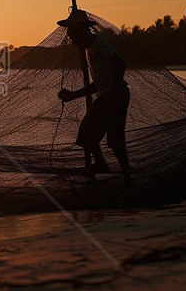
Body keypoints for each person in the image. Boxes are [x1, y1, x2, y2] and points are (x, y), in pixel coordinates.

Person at [56, 10, 131, 187]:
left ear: (81, 32)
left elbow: (120, 66)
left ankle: (127, 178)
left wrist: (112, 95)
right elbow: (98, 83)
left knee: (115, 140)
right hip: (107, 95)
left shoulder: (99, 42)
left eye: (74, 38)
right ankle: (102, 165)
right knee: (85, 135)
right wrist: (73, 95)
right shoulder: (89, 49)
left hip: (117, 95)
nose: (73, 42)